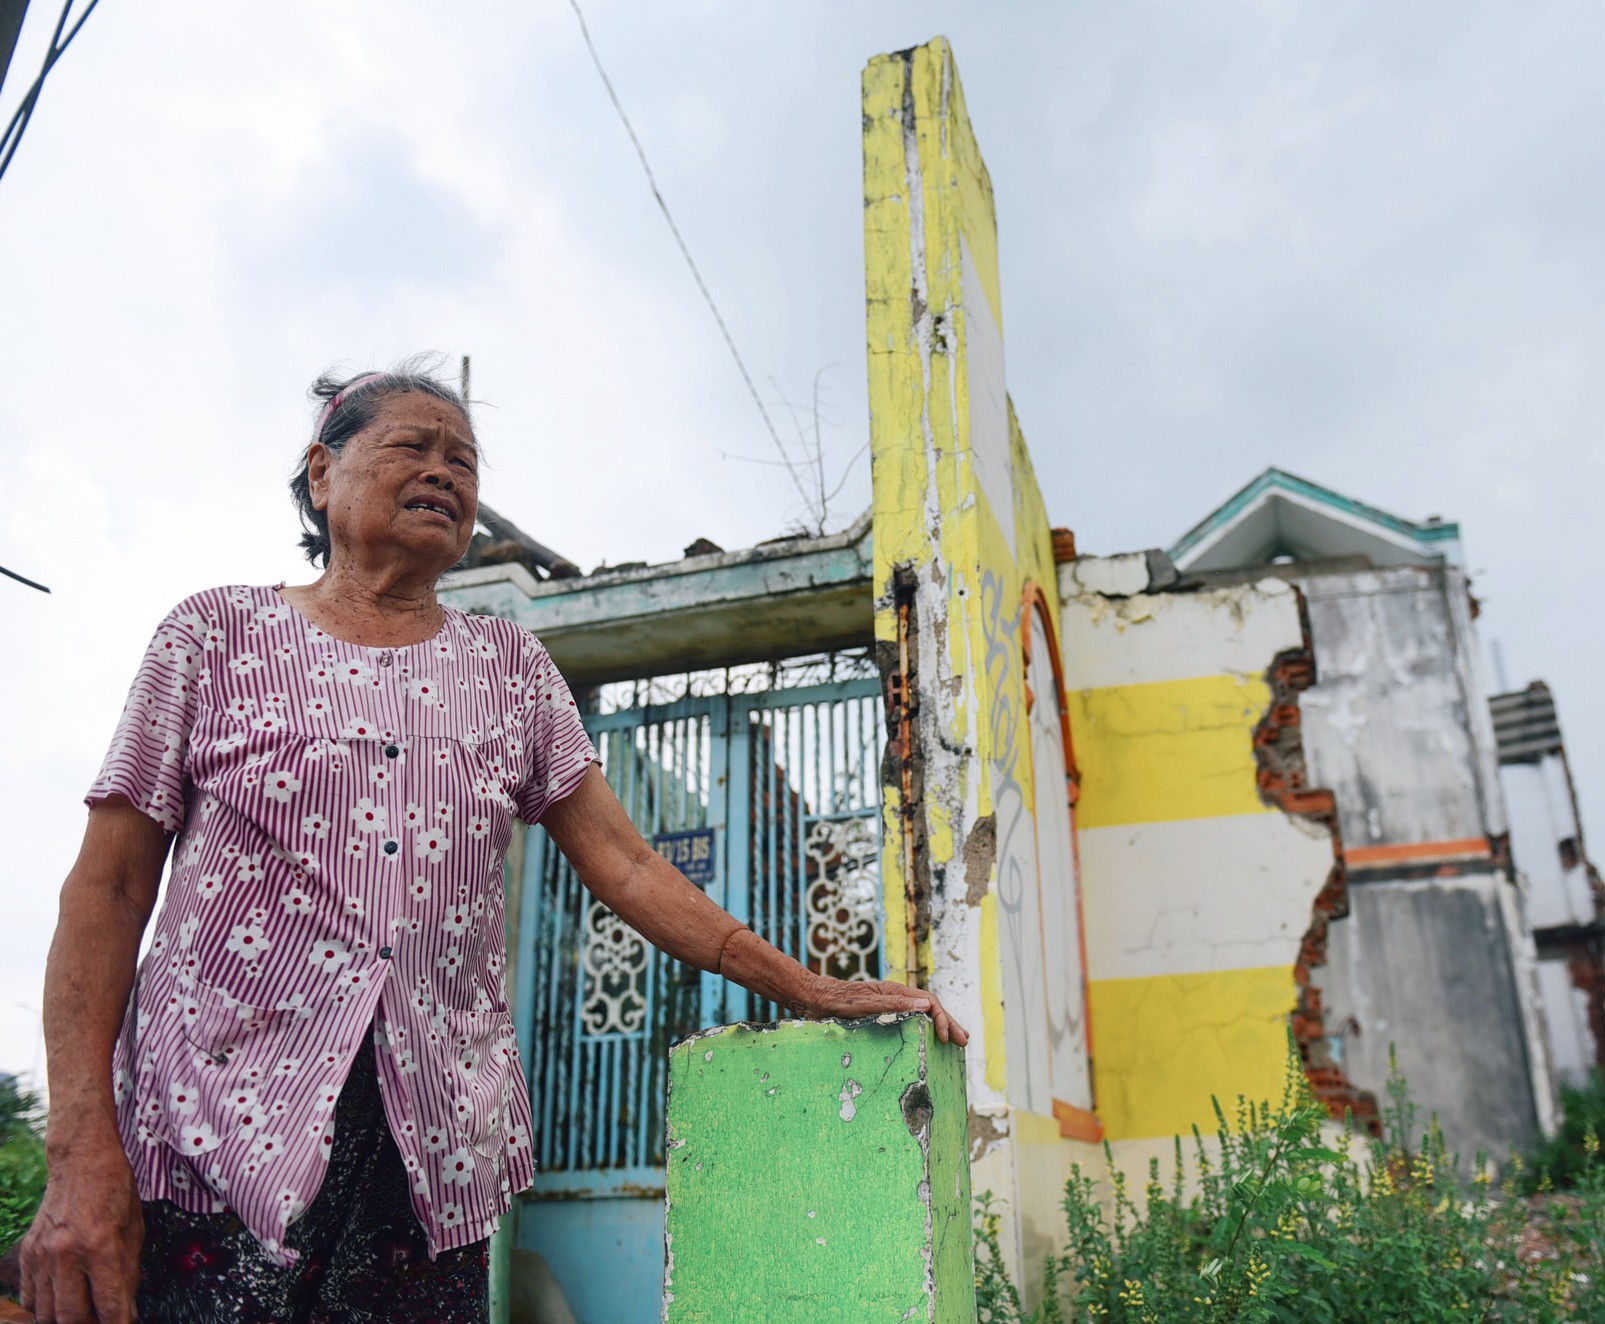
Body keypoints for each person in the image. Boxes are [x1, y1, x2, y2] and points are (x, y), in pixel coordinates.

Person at [18, 362, 967, 1323]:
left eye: (464, 461)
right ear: (321, 473)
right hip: (209, 1142)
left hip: (430, 1160)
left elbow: (630, 866)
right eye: (412, 448)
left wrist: (811, 988)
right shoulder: (213, 636)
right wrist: (80, 1146)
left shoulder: (509, 667)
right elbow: (106, 894)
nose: (447, 473)